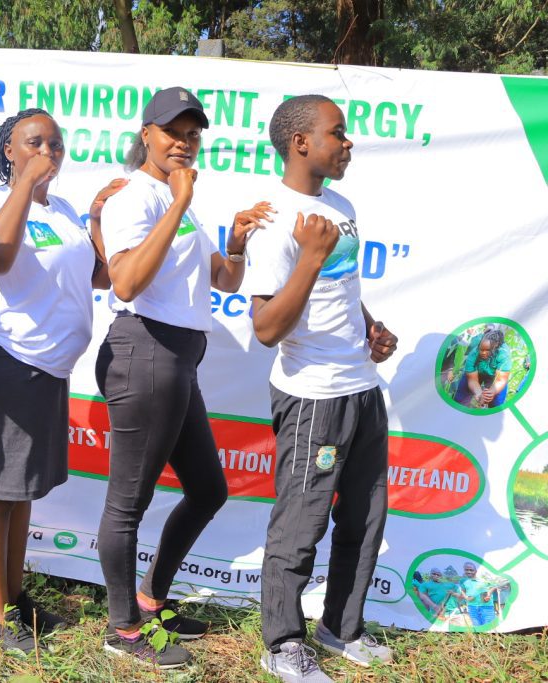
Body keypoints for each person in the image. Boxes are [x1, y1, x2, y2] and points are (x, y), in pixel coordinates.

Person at [94, 87, 268, 669]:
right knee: (128, 504)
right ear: (146, 134)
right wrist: (175, 204)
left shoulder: (180, 199)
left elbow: (225, 281)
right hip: (144, 349)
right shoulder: (135, 197)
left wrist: (237, 242)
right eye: (174, 131)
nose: (185, 143)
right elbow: (124, 283)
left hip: (177, 358)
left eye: (194, 134)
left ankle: (150, 598)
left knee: (209, 490)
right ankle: (122, 629)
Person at [244, 94, 398, 683]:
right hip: (312, 397)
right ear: (300, 141)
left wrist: (370, 329)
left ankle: (341, 628)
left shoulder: (341, 204)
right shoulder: (273, 218)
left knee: (365, 514)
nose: (348, 143)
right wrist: (309, 258)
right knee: (302, 522)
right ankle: (282, 644)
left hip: (361, 384)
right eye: (338, 133)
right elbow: (264, 328)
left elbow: (343, 288)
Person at [0, 108, 121, 652]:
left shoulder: (66, 208)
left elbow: (99, 276)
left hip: (47, 368)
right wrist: (23, 187)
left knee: (24, 489)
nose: (49, 151)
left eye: (55, 143)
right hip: (6, 360)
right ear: (10, 150)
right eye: (35, 143)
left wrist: (97, 218)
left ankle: (16, 595)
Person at [453, 329, 511, 408]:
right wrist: (479, 394)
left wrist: (490, 393)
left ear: (495, 347)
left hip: (496, 376)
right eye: (481, 349)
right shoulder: (474, 354)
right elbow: (472, 379)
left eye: (487, 350)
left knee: (497, 404)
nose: (483, 353)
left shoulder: (503, 354)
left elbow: (501, 380)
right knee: (461, 397)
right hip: (477, 371)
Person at [457, 562, 496, 627]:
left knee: (489, 627)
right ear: (464, 570)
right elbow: (463, 590)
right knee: (477, 627)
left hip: (486, 606)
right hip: (472, 607)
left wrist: (488, 594)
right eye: (467, 570)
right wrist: (466, 598)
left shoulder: (484, 579)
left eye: (471, 570)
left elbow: (494, 586)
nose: (469, 572)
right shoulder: (463, 581)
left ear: (475, 571)